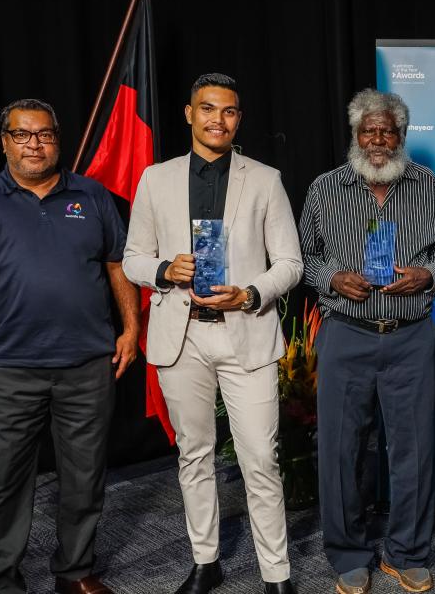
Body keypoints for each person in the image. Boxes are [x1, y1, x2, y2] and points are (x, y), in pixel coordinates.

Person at [0, 98, 139, 594]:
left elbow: (117, 266)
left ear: (58, 139)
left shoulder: (92, 196)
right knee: (5, 480)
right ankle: (2, 577)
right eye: (23, 134)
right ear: (5, 141)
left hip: (88, 365)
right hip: (11, 368)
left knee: (84, 477)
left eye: (45, 134)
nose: (35, 143)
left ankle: (74, 572)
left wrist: (132, 330)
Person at [121, 73, 302, 594]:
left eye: (228, 111)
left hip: (245, 331)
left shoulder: (265, 179)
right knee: (193, 454)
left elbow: (289, 263)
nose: (217, 119)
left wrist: (248, 293)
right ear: (189, 113)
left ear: (238, 119)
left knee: (260, 459)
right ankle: (206, 561)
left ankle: (277, 574)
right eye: (208, 108)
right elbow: (133, 258)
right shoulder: (156, 178)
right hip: (182, 338)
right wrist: (163, 270)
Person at [298, 88, 435, 594]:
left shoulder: (427, 186)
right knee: (341, 451)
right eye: (369, 131)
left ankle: (408, 551)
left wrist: (426, 277)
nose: (378, 139)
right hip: (346, 335)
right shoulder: (325, 189)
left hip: (409, 337)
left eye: (388, 130)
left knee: (413, 450)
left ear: (402, 136)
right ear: (355, 136)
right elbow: (305, 256)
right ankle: (349, 554)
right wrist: (333, 278)